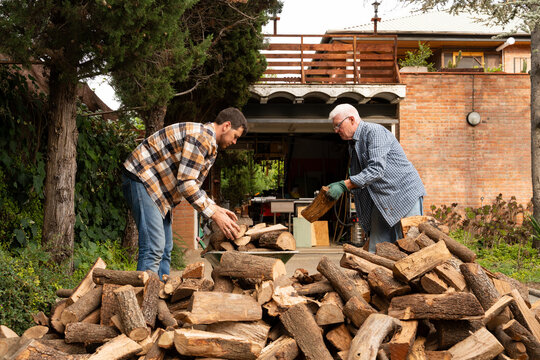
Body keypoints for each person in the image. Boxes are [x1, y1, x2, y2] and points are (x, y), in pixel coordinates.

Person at [122, 107, 245, 278]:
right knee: (154, 247)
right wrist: (214, 214)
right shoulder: (202, 138)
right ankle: (144, 300)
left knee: (165, 249)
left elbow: (192, 183)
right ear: (226, 126)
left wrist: (216, 208)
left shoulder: (209, 143)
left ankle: (159, 294)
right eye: (235, 136)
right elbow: (186, 184)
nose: (234, 142)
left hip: (159, 188)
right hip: (142, 178)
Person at [326, 104, 426, 253]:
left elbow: (376, 170)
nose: (336, 131)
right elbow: (362, 179)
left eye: (338, 125)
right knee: (377, 248)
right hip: (381, 198)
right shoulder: (352, 144)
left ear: (352, 119)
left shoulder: (375, 132)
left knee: (409, 245)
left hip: (404, 194)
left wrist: (344, 185)